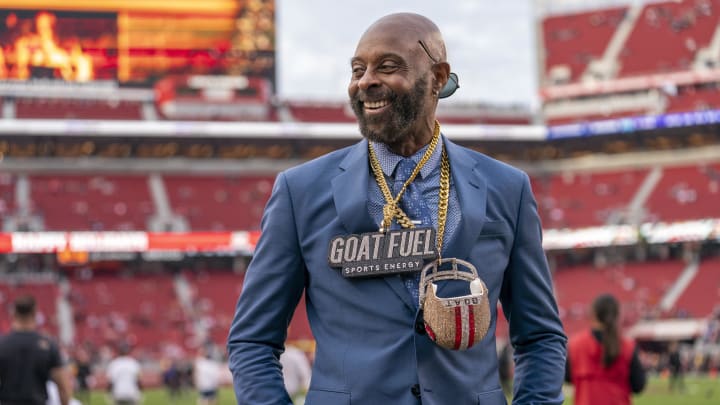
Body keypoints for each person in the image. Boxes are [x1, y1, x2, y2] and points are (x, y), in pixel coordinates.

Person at [228, 12, 566, 405]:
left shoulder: (507, 188)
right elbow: (252, 340)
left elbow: (540, 336)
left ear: (438, 77)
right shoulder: (299, 192)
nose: (366, 80)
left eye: (387, 67)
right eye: (358, 69)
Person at [565, 293, 647, 405]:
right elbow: (638, 386)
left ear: (593, 314)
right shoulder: (628, 346)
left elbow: (568, 377)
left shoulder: (575, 345)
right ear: (617, 315)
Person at [0, 294, 73, 405]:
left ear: (13, 313)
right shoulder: (48, 346)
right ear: (35, 313)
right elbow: (63, 386)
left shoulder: (3, 344)